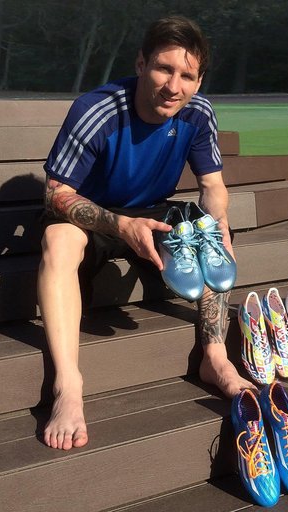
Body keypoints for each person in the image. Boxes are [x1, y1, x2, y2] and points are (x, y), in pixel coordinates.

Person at [38, 16, 255, 451]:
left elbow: (212, 186)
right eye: (164, 69)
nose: (174, 87)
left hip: (153, 210)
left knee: (207, 230)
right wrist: (121, 225)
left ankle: (214, 358)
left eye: (187, 76)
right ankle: (68, 385)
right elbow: (55, 194)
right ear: (141, 64)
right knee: (58, 240)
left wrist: (219, 229)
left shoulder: (198, 112)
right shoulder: (97, 110)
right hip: (93, 211)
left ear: (199, 81)